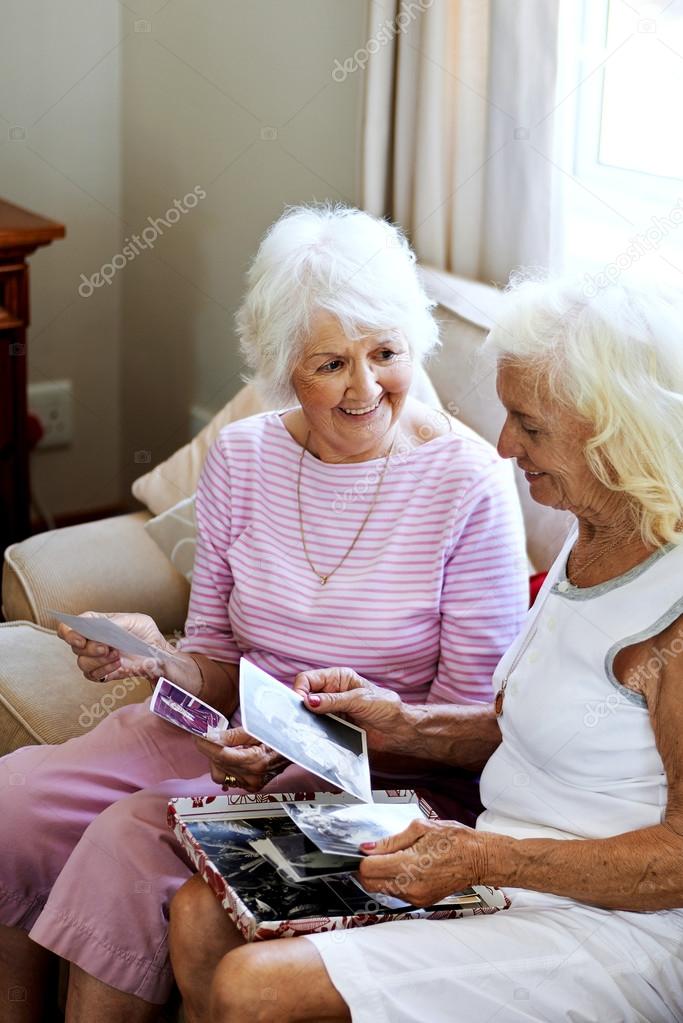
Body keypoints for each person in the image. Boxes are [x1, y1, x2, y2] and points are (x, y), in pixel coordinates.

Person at [0, 205, 527, 1023]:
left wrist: (315, 743)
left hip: (373, 773)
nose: (365, 388)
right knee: (12, 804)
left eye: (385, 353)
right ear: (284, 368)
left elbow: (465, 729)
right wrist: (157, 660)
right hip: (225, 731)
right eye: (329, 364)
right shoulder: (243, 455)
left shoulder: (469, 484)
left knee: (131, 842)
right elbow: (212, 653)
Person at [170, 274, 683, 1023]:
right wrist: (396, 723)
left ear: (616, 428)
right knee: (198, 911)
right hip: (506, 869)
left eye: (528, 425)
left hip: (612, 926)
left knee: (257, 986)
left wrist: (483, 857)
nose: (504, 445)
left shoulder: (669, 604)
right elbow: (521, 728)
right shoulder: (590, 529)